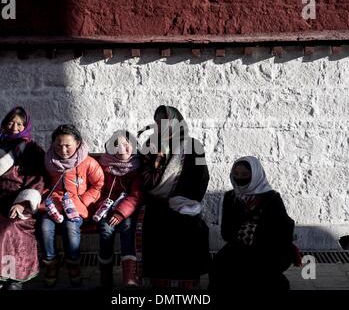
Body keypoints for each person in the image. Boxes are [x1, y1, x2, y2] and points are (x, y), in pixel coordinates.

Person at [0, 106, 45, 290]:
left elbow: (38, 179)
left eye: (20, 123)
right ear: (4, 124)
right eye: (11, 122)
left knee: (9, 228)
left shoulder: (32, 150)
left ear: (26, 126)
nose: (14, 126)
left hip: (19, 202)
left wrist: (22, 204)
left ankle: (12, 277)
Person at [138, 105, 211, 289]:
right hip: (155, 201)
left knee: (191, 226)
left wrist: (190, 200)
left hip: (184, 200)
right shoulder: (150, 145)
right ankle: (157, 279)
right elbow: (144, 176)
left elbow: (203, 175)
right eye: (158, 123)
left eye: (166, 122)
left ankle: (188, 279)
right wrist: (157, 162)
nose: (161, 127)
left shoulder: (195, 146)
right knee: (153, 223)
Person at [209, 156, 297, 291]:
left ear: (255, 175)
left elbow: (283, 231)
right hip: (240, 246)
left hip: (270, 249)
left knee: (259, 273)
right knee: (219, 265)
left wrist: (253, 235)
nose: (239, 178)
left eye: (245, 174)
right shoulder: (230, 197)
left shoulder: (272, 198)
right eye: (236, 174)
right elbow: (226, 232)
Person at [40, 124, 104, 287]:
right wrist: (46, 196)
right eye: (58, 145)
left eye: (68, 145)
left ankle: (73, 264)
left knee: (71, 227)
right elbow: (40, 183)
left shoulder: (87, 162)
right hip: (53, 205)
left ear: (77, 143)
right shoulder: (48, 161)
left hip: (76, 206)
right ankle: (50, 264)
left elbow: (98, 184)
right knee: (45, 227)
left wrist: (83, 201)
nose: (63, 149)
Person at [95, 130, 143, 288]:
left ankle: (130, 276)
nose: (121, 148)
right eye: (117, 145)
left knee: (128, 228)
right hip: (107, 208)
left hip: (127, 210)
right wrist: (103, 208)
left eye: (126, 144)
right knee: (106, 229)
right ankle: (106, 273)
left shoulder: (136, 167)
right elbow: (98, 190)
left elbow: (136, 195)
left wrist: (120, 213)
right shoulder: (104, 165)